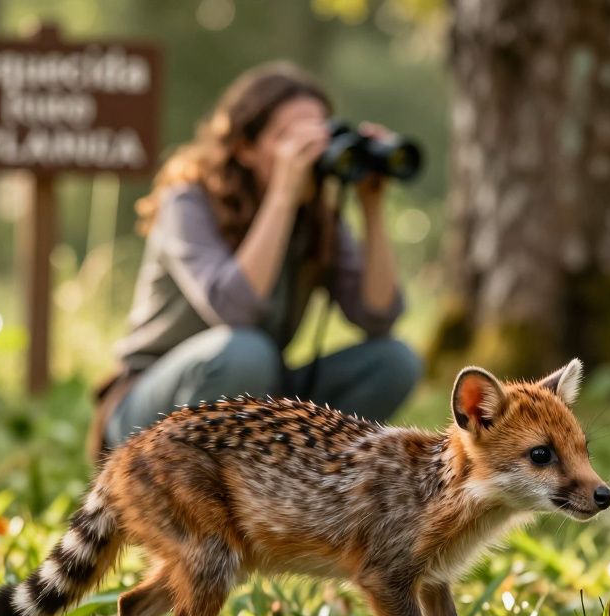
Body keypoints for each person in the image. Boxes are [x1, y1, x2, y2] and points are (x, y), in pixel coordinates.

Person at [89, 61, 422, 456]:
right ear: (245, 148)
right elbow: (236, 309)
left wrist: (371, 205)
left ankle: (292, 491)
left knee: (394, 361)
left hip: (253, 397)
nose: (309, 150)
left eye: (318, 132)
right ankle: (188, 496)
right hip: (148, 413)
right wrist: (282, 193)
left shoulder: (316, 217)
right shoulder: (187, 202)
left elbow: (378, 317)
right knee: (246, 352)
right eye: (289, 137)